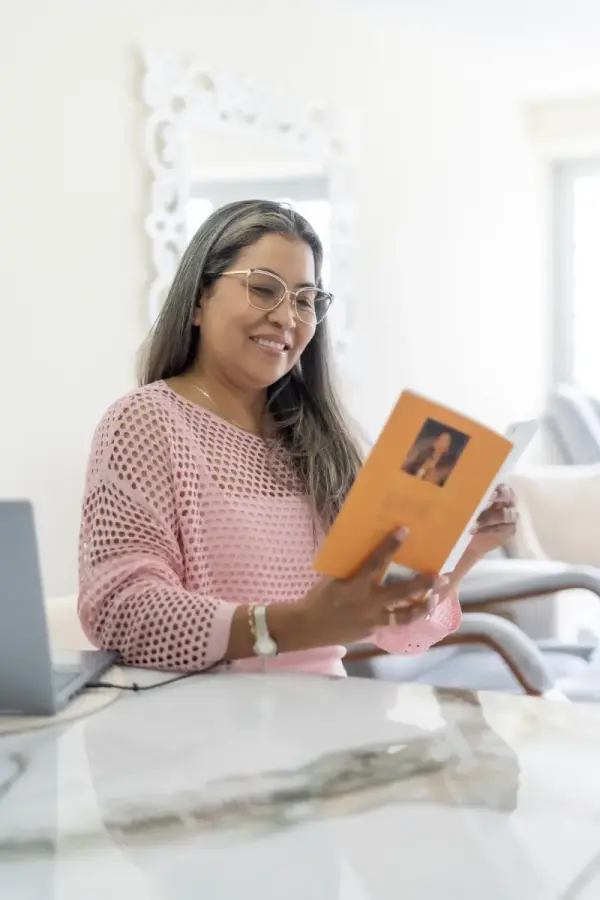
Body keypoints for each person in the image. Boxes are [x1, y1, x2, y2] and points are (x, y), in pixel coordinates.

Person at [77, 200, 518, 676]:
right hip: (208, 716)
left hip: (324, 710)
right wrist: (297, 625)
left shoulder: (321, 442)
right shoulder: (145, 423)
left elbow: (394, 627)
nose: (287, 317)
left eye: (305, 300)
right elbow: (121, 612)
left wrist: (467, 549)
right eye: (264, 289)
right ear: (200, 299)